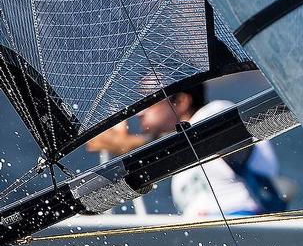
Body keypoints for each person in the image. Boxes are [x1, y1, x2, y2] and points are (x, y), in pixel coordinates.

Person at [86, 84, 286, 217]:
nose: (140, 112)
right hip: (207, 236)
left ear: (181, 101)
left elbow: (204, 139)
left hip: (247, 222)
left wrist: (132, 147)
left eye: (148, 100)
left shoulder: (215, 112)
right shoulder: (182, 154)